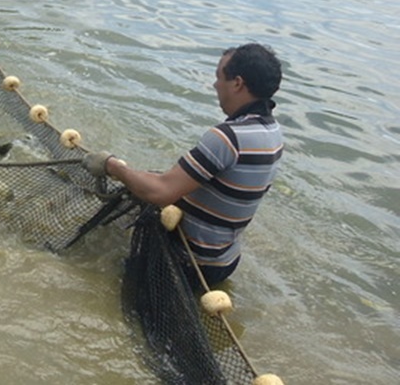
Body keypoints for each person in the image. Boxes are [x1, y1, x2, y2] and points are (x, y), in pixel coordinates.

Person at [84, 43, 284, 287]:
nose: (215, 85)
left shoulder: (228, 137)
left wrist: (112, 166)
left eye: (219, 77)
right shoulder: (273, 133)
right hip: (225, 262)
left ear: (237, 83)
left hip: (189, 264)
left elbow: (160, 192)